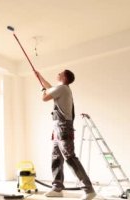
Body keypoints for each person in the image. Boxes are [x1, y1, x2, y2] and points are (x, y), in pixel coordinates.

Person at [35, 69, 96, 200]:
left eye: (61, 72)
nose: (58, 72)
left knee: (70, 157)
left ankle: (89, 190)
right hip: (58, 127)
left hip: (62, 127)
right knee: (56, 157)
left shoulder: (62, 88)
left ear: (65, 77)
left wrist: (42, 90)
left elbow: (45, 97)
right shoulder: (62, 88)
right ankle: (57, 188)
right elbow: (50, 88)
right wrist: (40, 77)